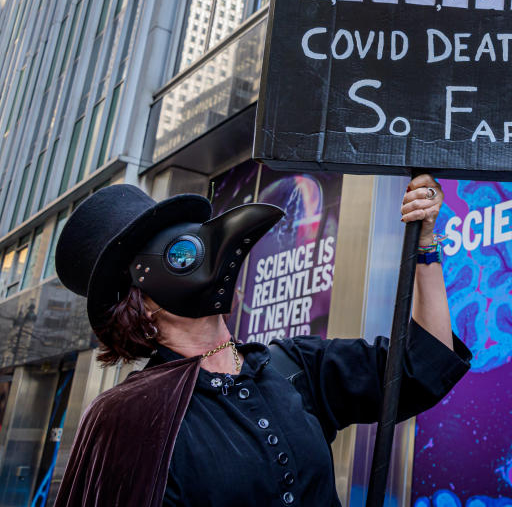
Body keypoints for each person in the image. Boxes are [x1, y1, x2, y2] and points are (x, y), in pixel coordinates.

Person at [52, 174, 471, 507]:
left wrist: (424, 246)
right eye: (183, 255)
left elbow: (423, 366)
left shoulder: (292, 368)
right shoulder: (130, 418)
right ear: (141, 304)